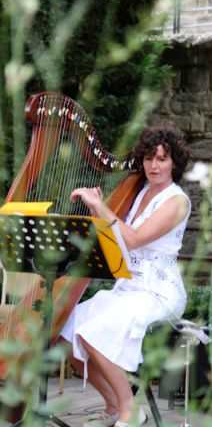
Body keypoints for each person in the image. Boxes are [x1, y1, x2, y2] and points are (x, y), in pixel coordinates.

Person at [60, 124, 191, 427]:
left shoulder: (177, 201)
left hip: (158, 293)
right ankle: (114, 406)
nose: (154, 166)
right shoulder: (141, 191)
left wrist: (100, 206)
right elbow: (116, 239)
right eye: (148, 158)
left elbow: (133, 239)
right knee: (66, 332)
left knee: (92, 333)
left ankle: (130, 410)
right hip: (128, 288)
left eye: (161, 159)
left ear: (175, 163)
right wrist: (96, 215)